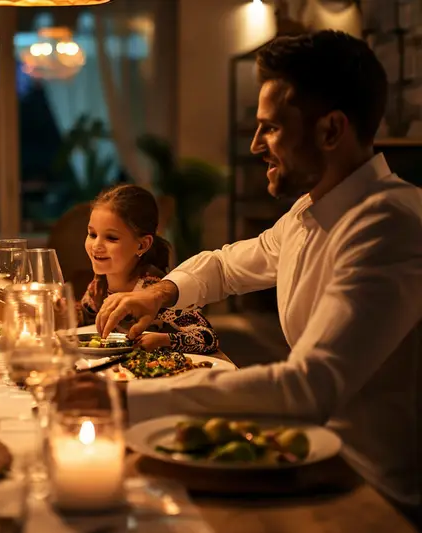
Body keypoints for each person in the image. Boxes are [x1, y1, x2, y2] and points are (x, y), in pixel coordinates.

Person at [96, 31, 422, 521]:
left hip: (373, 491)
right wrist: (161, 291)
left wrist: (121, 401)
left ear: (331, 130)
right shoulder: (308, 213)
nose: (254, 146)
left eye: (269, 128)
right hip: (307, 455)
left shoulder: (389, 223)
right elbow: (228, 265)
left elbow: (308, 386)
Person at [80, 185, 219, 354]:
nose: (96, 246)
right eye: (92, 234)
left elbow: (207, 338)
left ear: (142, 245)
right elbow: (86, 317)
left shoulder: (153, 291)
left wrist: (164, 340)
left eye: (111, 238)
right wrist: (62, 310)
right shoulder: (98, 285)